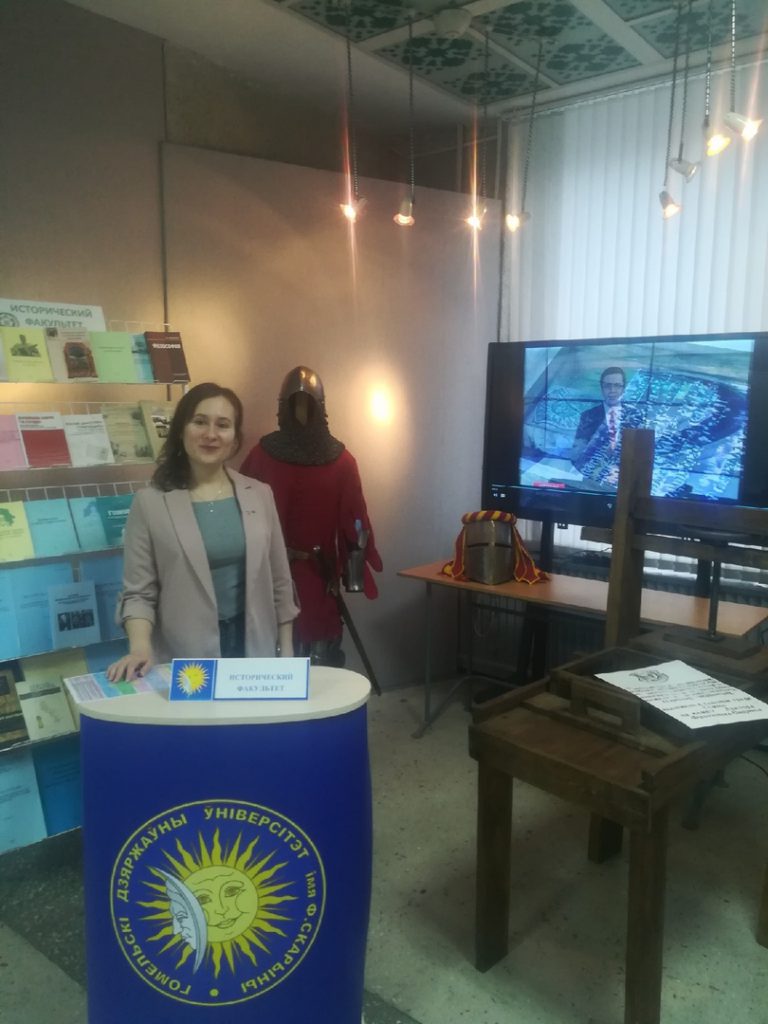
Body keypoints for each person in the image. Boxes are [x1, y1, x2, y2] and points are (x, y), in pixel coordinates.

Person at [106, 382, 298, 682]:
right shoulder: (150, 503)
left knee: (254, 716)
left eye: (223, 425)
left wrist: (286, 652)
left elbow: (280, 582)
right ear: (181, 430)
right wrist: (140, 649)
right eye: (199, 422)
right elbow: (139, 593)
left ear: (235, 438)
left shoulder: (259, 494)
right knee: (200, 716)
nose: (211, 434)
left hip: (254, 651)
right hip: (186, 660)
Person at [239, 366, 381, 666]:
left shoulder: (341, 462)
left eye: (307, 403)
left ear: (320, 408)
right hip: (268, 575)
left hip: (318, 575)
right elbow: (240, 516)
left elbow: (355, 522)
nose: (301, 410)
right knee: (269, 657)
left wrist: (353, 575)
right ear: (283, 407)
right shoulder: (261, 456)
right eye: (295, 403)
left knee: (320, 660)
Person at [571, 366, 642, 483]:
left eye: (617, 385)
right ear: (601, 388)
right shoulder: (588, 416)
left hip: (626, 475)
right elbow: (578, 453)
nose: (612, 390)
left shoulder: (635, 415)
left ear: (624, 388)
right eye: (607, 386)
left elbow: (639, 452)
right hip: (592, 477)